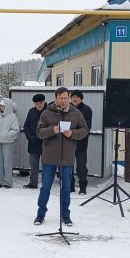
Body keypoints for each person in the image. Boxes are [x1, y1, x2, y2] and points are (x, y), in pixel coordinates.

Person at [34, 87, 89, 226]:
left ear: (69, 98)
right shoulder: (47, 113)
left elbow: (84, 130)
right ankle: (40, 214)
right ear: (55, 98)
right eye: (60, 98)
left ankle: (65, 215)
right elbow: (39, 132)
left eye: (65, 98)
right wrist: (52, 130)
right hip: (49, 157)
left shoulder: (76, 113)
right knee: (46, 187)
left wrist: (72, 133)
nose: (63, 101)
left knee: (66, 188)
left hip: (67, 157)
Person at [0, 98, 19, 189]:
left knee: (7, 163)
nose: (2, 108)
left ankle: (8, 182)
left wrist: (6, 135)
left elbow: (15, 130)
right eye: (1, 106)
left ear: (8, 106)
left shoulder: (13, 116)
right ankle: (0, 181)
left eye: (3, 106)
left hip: (8, 142)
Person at [69, 90, 93, 195]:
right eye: (73, 97)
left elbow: (86, 128)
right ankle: (70, 185)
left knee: (81, 167)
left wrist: (72, 131)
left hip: (81, 143)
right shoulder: (67, 108)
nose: (75, 99)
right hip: (68, 142)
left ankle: (83, 187)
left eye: (77, 97)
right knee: (68, 165)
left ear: (81, 98)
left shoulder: (87, 110)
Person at [22, 94, 47, 189]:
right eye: (36, 103)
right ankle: (33, 183)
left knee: (46, 165)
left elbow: (51, 128)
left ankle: (46, 183)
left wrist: (41, 137)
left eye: (40, 103)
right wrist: (29, 137)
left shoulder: (48, 112)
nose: (39, 105)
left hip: (46, 143)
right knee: (33, 165)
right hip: (33, 142)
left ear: (44, 102)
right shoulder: (31, 111)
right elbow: (26, 126)